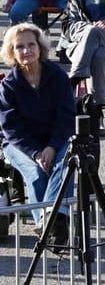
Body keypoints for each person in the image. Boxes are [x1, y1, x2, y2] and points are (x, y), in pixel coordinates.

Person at [0, 21, 74, 243]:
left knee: (65, 165)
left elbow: (66, 117)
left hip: (56, 139)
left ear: (39, 47)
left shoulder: (58, 77)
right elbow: (11, 128)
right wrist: (36, 153)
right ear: (12, 52)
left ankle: (52, 221)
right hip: (21, 144)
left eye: (30, 45)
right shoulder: (8, 85)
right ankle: (49, 225)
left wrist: (51, 147)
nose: (26, 50)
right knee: (37, 172)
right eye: (19, 47)